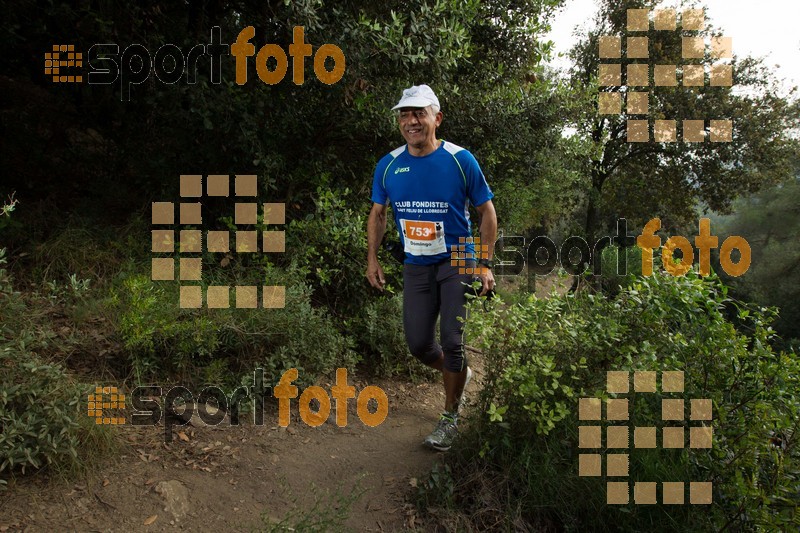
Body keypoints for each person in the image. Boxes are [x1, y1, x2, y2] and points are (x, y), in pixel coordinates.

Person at [366, 84, 497, 451]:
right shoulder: (389, 164)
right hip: (416, 263)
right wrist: (372, 258)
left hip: (458, 258)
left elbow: (487, 212)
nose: (411, 121)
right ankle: (461, 375)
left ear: (436, 119)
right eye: (405, 114)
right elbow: (378, 214)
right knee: (420, 344)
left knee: (453, 342)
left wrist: (484, 264)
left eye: (419, 113)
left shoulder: (460, 159)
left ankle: (450, 417)